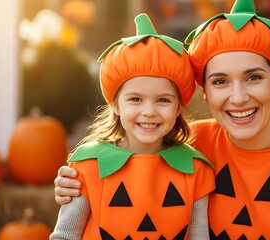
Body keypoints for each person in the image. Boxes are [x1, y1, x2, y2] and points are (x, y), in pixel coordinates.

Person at [54, 0, 270, 239]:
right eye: (221, 81)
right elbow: (121, 173)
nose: (238, 97)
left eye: (254, 77)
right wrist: (74, 182)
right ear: (204, 92)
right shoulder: (187, 147)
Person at [50, 13, 215, 240]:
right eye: (135, 99)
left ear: (179, 108)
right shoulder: (89, 165)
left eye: (163, 100)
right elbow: (65, 235)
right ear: (115, 104)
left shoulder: (194, 168)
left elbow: (199, 236)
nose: (149, 111)